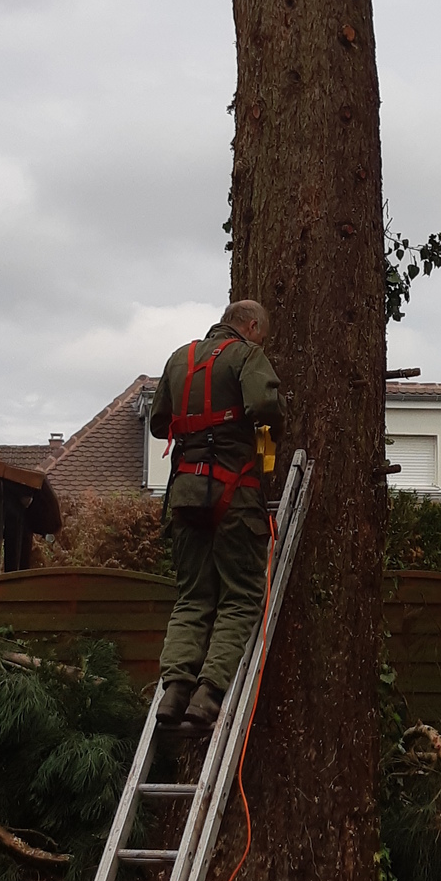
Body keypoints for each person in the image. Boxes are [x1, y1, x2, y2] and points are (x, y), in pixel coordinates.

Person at [150, 299, 284, 737]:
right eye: (262, 334)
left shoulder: (179, 358)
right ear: (251, 325)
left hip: (186, 494)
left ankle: (174, 692)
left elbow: (158, 424)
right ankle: (207, 695)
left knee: (192, 597)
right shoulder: (247, 355)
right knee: (240, 597)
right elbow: (266, 407)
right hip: (234, 494)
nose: (262, 341)